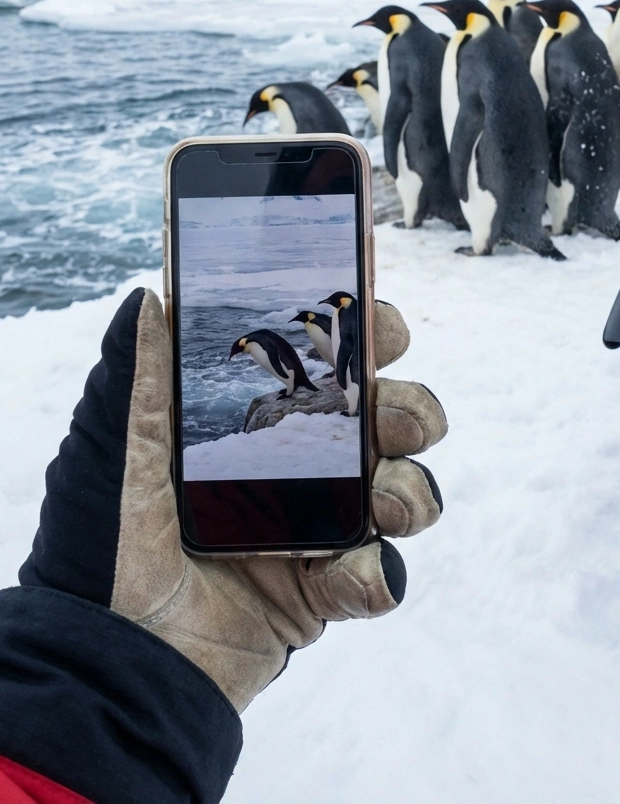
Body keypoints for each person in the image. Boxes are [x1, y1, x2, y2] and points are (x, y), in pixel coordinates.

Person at [0, 288, 447, 803]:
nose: (237, 354)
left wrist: (95, 656)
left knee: (349, 361)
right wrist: (120, 669)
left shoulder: (317, 329)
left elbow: (314, 354)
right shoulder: (309, 330)